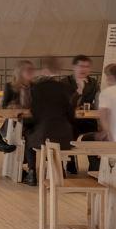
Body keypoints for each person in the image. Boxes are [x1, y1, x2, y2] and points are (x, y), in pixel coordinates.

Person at [23, 56, 75, 186]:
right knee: (56, 137)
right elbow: (71, 115)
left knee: (27, 136)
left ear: (44, 69)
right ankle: (60, 169)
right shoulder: (66, 88)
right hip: (64, 135)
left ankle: (32, 172)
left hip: (43, 135)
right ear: (58, 70)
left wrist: (26, 126)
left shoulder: (36, 88)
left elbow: (34, 115)